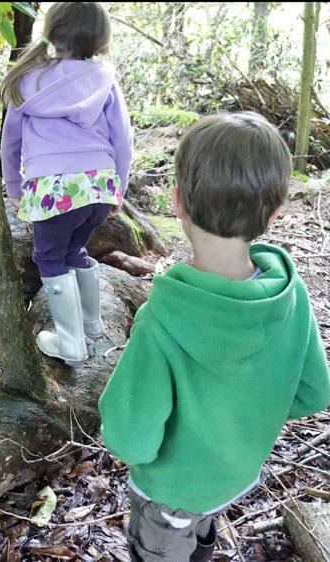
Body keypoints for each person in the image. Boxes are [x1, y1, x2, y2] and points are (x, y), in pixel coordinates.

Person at [98, 111, 330, 562]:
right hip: (236, 473)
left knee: (162, 549)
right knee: (199, 530)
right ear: (276, 212)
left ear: (177, 202)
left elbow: (129, 441)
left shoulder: (163, 320)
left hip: (171, 492)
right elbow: (313, 393)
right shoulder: (288, 292)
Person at [0, 2, 133, 363]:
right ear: (101, 40)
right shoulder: (105, 79)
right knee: (75, 251)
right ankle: (92, 326)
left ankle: (71, 344)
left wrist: (14, 189)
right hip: (98, 185)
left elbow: (9, 143)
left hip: (53, 189)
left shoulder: (29, 79)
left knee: (49, 257)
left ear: (52, 32)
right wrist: (118, 187)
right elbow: (123, 140)